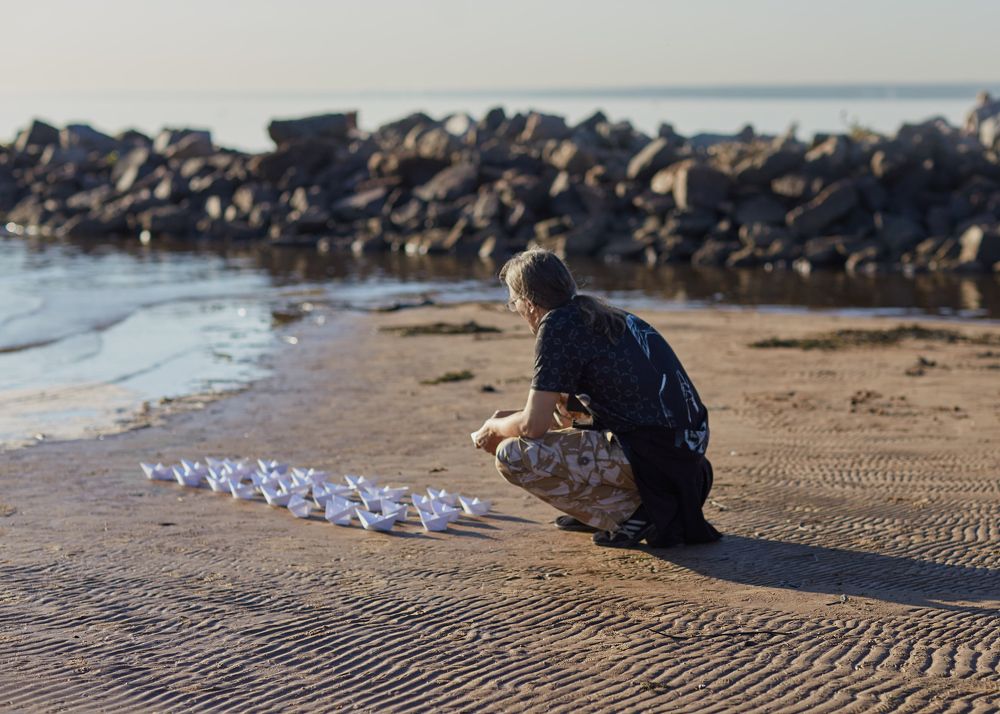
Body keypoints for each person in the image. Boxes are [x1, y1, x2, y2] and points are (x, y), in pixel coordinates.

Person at [471, 249, 721, 548]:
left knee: (512, 455)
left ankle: (630, 514)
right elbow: (563, 418)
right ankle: (606, 509)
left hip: (655, 459)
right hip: (686, 458)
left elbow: (532, 427)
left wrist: (494, 427)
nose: (517, 310)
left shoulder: (557, 325)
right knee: (563, 414)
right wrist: (518, 417)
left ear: (529, 302)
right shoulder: (604, 314)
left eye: (514, 303)